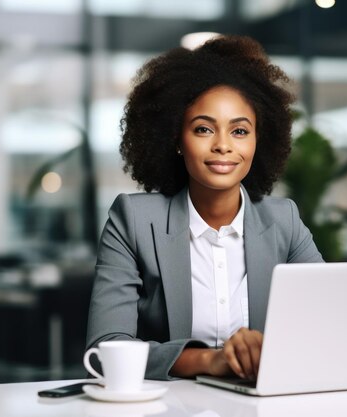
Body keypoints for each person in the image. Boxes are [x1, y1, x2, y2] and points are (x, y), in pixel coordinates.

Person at [86, 34, 323, 382]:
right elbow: (104, 350)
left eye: (240, 130)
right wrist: (211, 361)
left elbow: (330, 325)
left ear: (259, 139)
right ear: (177, 139)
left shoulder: (283, 221)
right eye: (203, 129)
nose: (223, 146)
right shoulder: (134, 221)